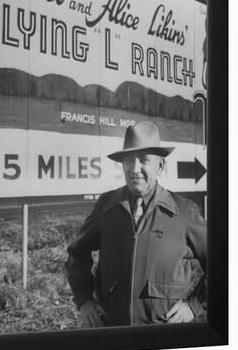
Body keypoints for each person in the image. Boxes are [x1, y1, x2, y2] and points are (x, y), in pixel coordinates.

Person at [66, 120, 207, 327]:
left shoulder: (184, 212)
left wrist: (195, 305)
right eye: (128, 160)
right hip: (114, 335)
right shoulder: (106, 207)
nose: (135, 168)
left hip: (167, 340)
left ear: (160, 165)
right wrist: (85, 301)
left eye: (144, 160)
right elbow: (77, 253)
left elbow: (225, 262)